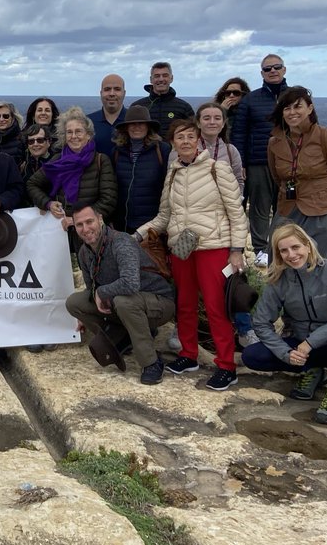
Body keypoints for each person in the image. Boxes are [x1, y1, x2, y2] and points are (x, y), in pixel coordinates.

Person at [136, 118, 247, 392]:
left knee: (216, 307)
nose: (185, 142)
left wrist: (237, 250)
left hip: (214, 248)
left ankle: (226, 367)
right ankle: (188, 355)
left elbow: (236, 213)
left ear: (198, 140)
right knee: (184, 304)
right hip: (182, 249)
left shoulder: (217, 169)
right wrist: (137, 235)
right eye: (179, 137)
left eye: (190, 136)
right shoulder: (172, 174)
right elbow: (164, 216)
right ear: (173, 143)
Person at [241, 223, 327, 424]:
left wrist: (311, 342)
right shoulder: (278, 280)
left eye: (295, 247)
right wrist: (285, 352)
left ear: (308, 246)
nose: (291, 255)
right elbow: (261, 322)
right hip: (299, 348)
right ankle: (313, 371)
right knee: (252, 355)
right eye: (284, 251)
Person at [67, 204, 176, 385]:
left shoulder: (121, 242)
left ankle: (151, 362)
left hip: (158, 302)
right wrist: (85, 312)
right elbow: (91, 289)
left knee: (124, 301)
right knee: (74, 302)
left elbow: (131, 283)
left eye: (89, 221)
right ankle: (122, 337)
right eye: (79, 225)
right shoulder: (84, 252)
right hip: (122, 303)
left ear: (100, 219)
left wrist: (102, 292)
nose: (86, 229)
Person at [267, 86, 327, 264]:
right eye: (287, 108)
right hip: (288, 210)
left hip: (326, 213)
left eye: (297, 106)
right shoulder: (274, 142)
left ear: (310, 108)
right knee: (279, 266)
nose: (292, 112)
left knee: (323, 268)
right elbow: (277, 177)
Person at [231, 55, 289, 266]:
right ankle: (260, 249)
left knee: (285, 207)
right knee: (259, 208)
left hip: (288, 163)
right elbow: (239, 133)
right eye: (267, 69)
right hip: (258, 162)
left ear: (284, 69)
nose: (272, 71)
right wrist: (241, 164)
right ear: (261, 73)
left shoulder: (294, 98)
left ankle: (281, 247)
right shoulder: (251, 100)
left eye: (276, 67)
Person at [27, 107, 117, 245]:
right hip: (62, 234)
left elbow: (108, 200)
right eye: (69, 132)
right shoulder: (57, 160)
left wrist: (79, 221)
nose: (74, 136)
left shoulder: (101, 160)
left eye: (78, 131)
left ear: (88, 135)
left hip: (93, 236)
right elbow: (32, 184)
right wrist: (48, 203)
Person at [108, 105, 171, 234]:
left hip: (153, 226)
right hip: (122, 225)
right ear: (126, 127)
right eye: (132, 124)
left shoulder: (163, 150)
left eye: (141, 123)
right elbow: (111, 188)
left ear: (148, 127)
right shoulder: (116, 152)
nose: (137, 127)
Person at [131, 62, 194, 140]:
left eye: (165, 75)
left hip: (174, 151)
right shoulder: (138, 106)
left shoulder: (184, 107)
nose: (161, 79)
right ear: (151, 79)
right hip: (146, 151)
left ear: (171, 78)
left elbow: (193, 133)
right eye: (157, 76)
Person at [193, 102, 245, 193]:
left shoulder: (231, 150)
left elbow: (238, 180)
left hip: (223, 204)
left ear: (223, 123)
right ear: (198, 123)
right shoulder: (186, 148)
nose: (212, 122)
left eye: (217, 118)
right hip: (195, 205)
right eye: (206, 118)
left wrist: (237, 200)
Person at [89, 73, 127, 156]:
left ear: (124, 93)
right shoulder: (88, 122)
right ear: (101, 93)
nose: (112, 93)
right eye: (107, 89)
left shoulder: (133, 121)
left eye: (117, 89)